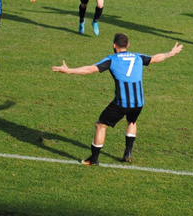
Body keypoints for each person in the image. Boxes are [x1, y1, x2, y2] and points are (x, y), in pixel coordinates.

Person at [51, 34, 183, 165]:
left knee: (100, 125)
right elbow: (154, 58)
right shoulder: (137, 57)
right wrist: (170, 53)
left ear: (114, 45)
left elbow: (90, 69)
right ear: (128, 45)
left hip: (122, 103)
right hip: (138, 102)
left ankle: (94, 159)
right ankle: (128, 153)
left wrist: (69, 70)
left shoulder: (112, 60)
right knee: (132, 121)